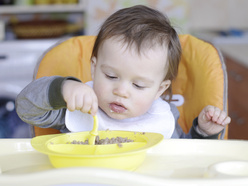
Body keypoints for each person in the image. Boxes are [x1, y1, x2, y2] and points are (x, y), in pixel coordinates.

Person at [16, 5, 230, 139]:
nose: (121, 91)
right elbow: (26, 108)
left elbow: (185, 159)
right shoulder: (78, 108)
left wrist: (203, 132)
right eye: (110, 76)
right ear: (94, 67)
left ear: (160, 89)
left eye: (138, 85)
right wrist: (63, 88)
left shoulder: (163, 118)